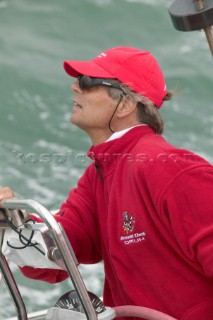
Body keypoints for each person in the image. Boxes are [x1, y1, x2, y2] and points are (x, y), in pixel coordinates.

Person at [1, 46, 213, 320]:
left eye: (87, 82)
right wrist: (9, 221)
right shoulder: (101, 174)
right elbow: (61, 251)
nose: (74, 86)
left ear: (125, 104)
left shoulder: (172, 168)